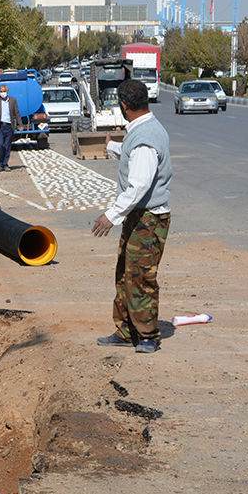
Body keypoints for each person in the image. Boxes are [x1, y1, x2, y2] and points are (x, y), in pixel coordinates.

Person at [93, 79, 172, 354]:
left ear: (124, 106)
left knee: (140, 277)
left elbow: (139, 184)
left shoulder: (145, 138)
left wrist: (110, 216)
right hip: (139, 218)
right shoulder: (144, 128)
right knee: (124, 274)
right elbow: (133, 156)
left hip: (148, 220)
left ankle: (148, 335)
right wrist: (114, 147)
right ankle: (127, 330)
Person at [0, 84, 20, 173]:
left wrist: (20, 125)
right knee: (0, 145)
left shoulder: (13, 100)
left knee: (7, 146)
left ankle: (5, 164)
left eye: (4, 91)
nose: (2, 93)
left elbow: (17, 113)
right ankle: (0, 162)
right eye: (1, 91)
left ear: (7, 91)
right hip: (0, 126)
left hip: (9, 126)